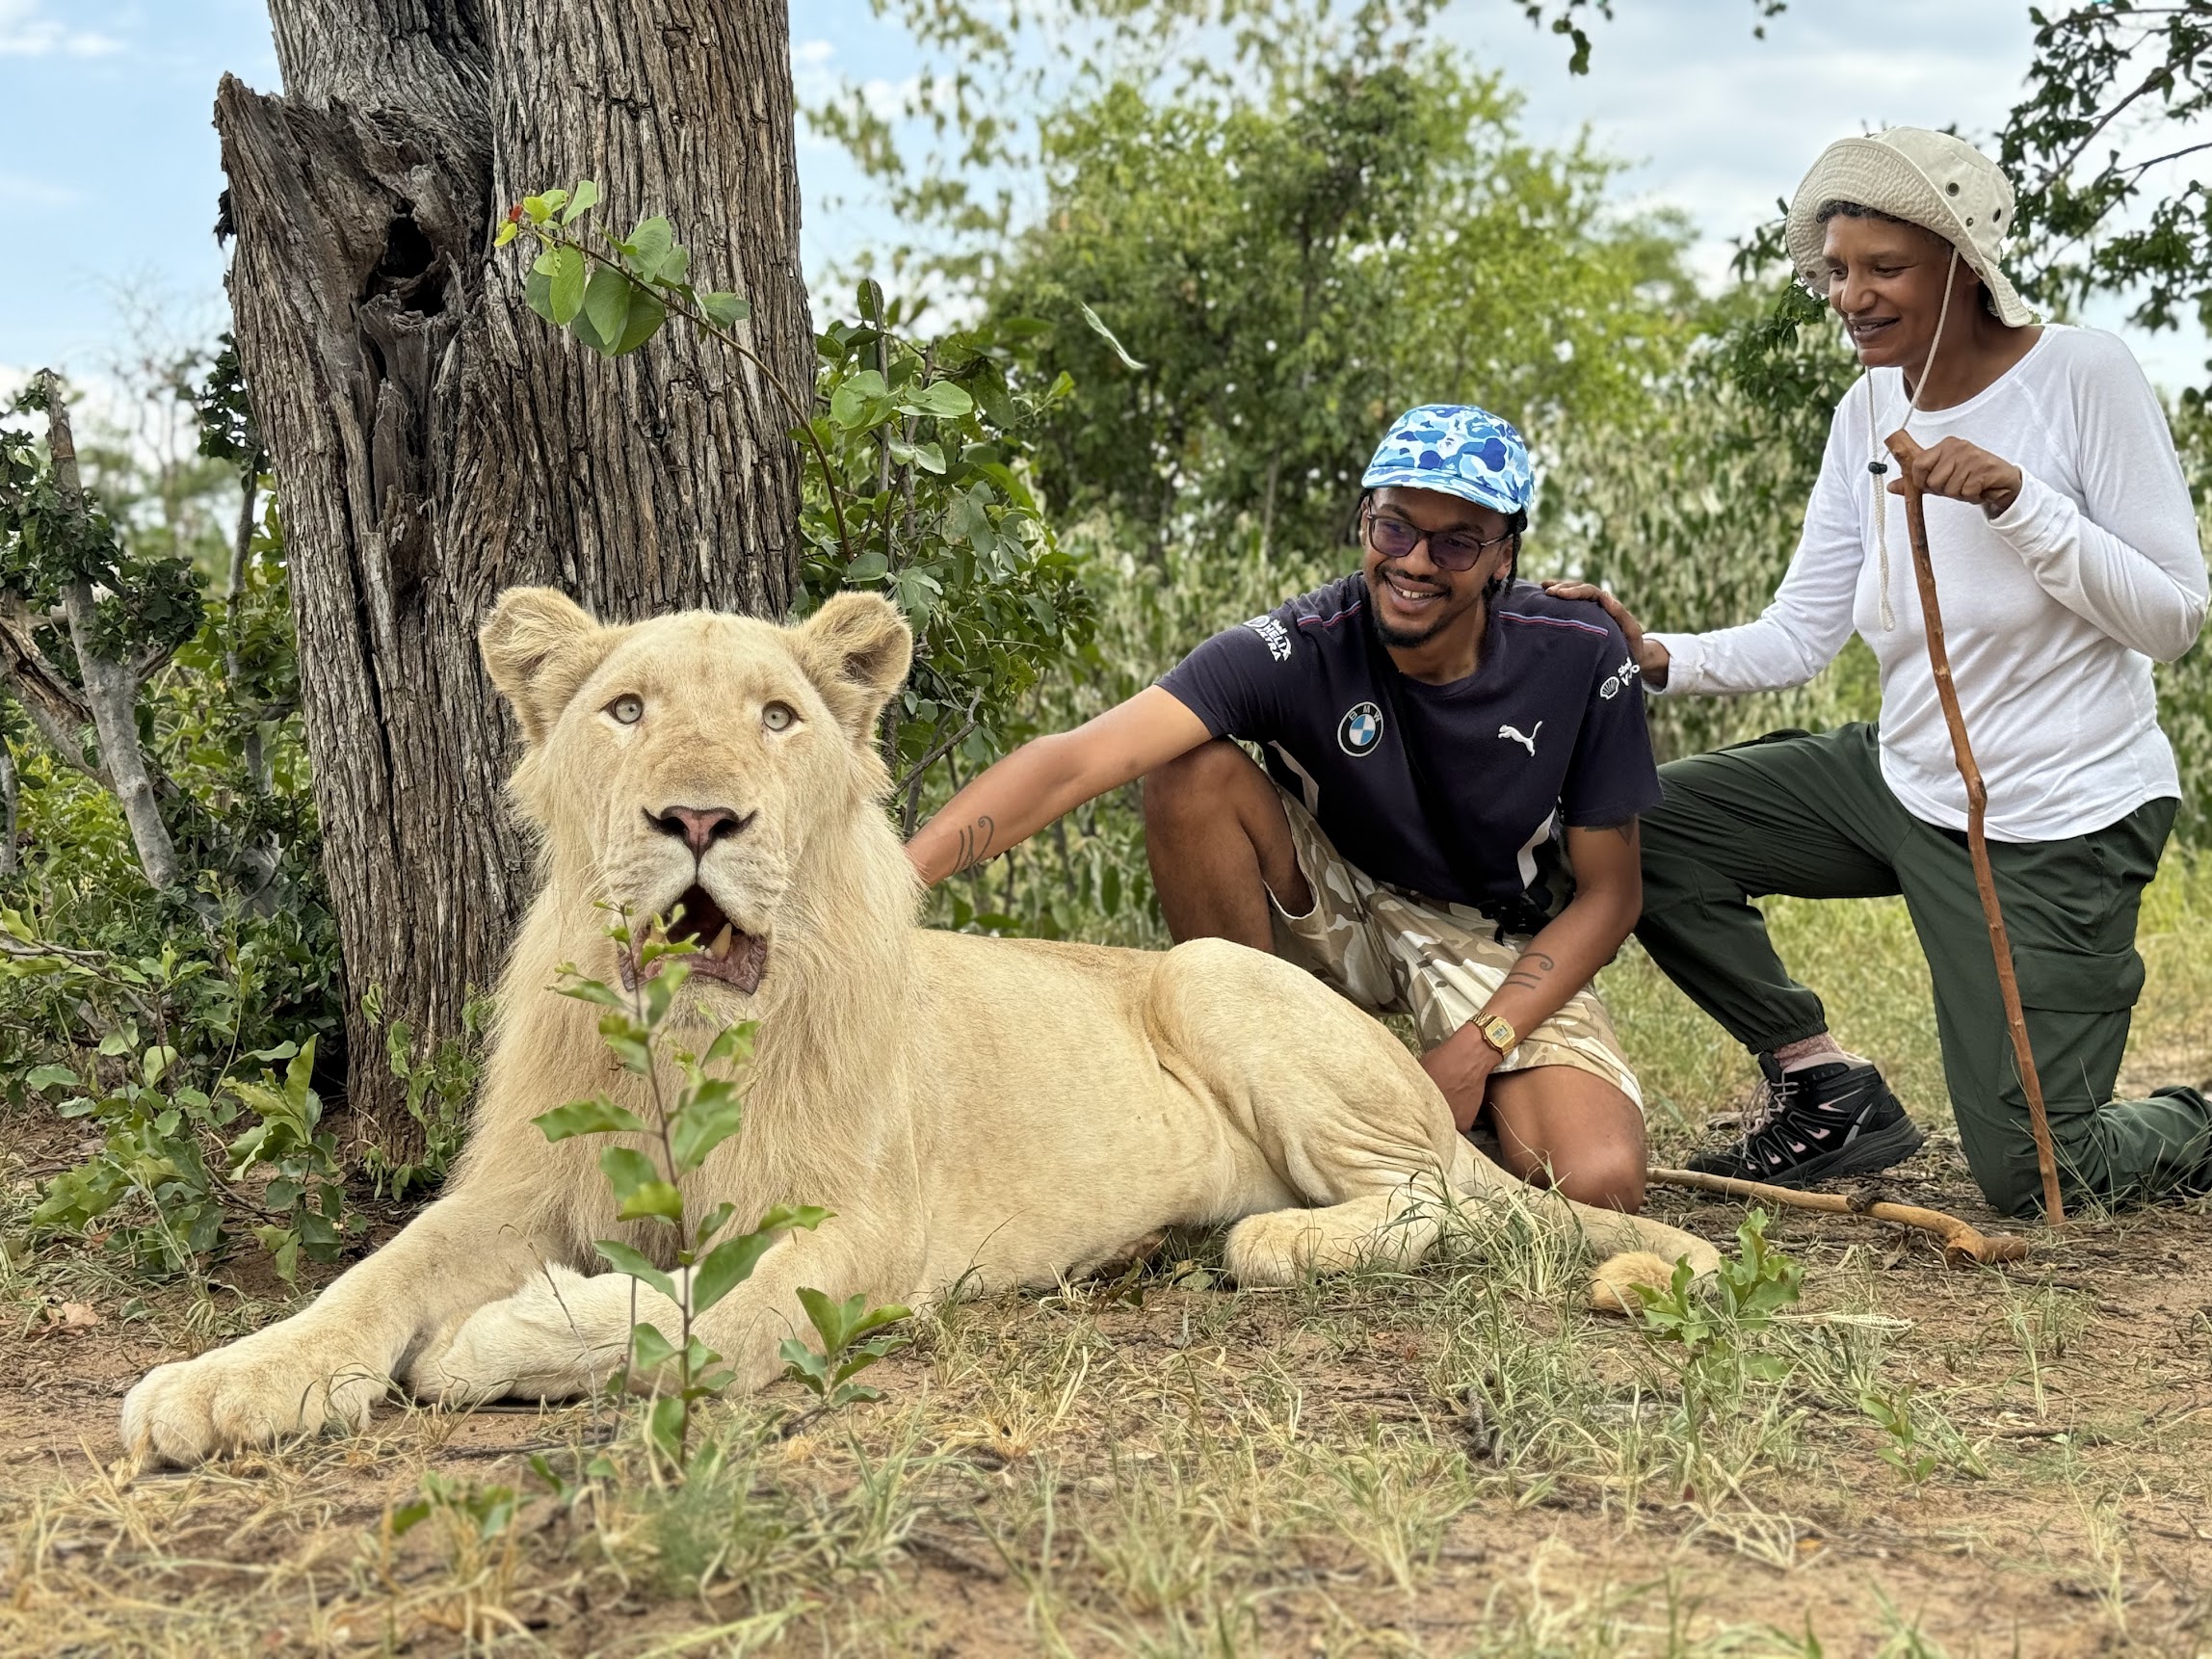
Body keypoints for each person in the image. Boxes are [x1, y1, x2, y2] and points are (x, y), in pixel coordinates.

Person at [1549, 128, 2212, 1215]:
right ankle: (1823, 1091)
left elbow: (2174, 619)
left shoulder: (2081, 375)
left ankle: (2193, 1123)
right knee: (1642, 823)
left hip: (2054, 818)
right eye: (1837, 270)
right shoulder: (1864, 410)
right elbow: (1802, 634)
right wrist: (1653, 656)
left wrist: (2019, 503)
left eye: (1883, 268)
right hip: (1899, 779)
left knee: (2042, 1175)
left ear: (1964, 264)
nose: (1850, 296)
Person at [907, 406, 1665, 1210]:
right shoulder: (1296, 645)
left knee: (1595, 1184)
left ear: (1502, 556)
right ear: (1363, 520)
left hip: (1483, 931)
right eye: (1395, 528)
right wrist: (893, 879)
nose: (1415, 562)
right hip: (1330, 900)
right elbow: (1074, 762)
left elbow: (1612, 893)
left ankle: (1444, 1105)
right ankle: (1247, 1092)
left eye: (1457, 542)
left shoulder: (1579, 650)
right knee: (1188, 770)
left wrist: (1482, 1046)